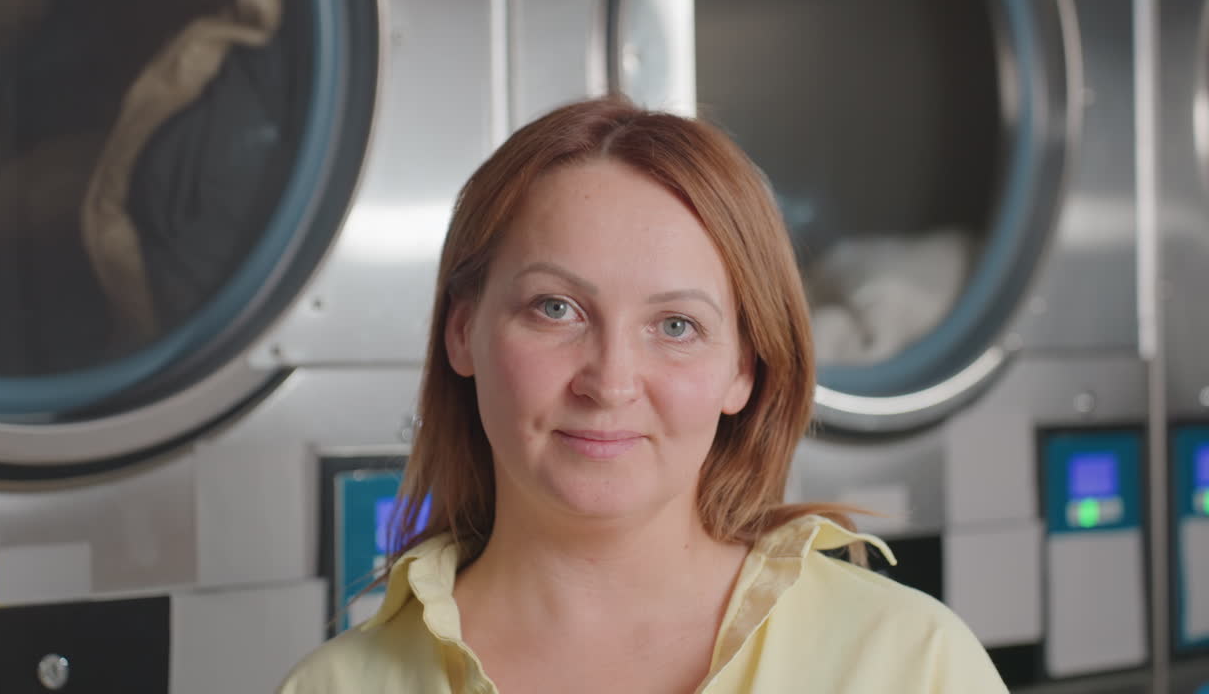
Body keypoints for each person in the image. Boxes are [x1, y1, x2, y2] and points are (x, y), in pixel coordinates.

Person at [278, 97, 1007, 693]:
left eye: (677, 325)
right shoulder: (337, 688)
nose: (610, 383)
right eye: (555, 308)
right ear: (463, 331)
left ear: (744, 372)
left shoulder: (912, 664)